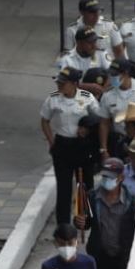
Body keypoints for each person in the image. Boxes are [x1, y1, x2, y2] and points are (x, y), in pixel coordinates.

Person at [41, 68, 100, 231]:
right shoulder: (53, 99)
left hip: (82, 145)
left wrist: (87, 128)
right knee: (64, 187)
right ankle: (64, 225)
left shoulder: (87, 98)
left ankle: (87, 220)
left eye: (63, 83)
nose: (59, 85)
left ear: (74, 84)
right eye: (58, 82)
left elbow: (98, 118)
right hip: (62, 146)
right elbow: (44, 120)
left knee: (86, 184)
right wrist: (51, 140)